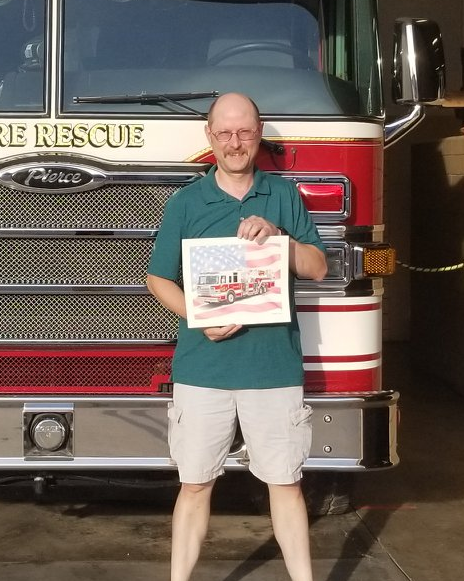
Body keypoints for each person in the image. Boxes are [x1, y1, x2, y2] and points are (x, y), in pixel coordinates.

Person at [146, 92, 327, 581]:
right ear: (209, 137)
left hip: (273, 369)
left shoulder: (284, 197)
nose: (234, 142)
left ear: (259, 132)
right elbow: (158, 278)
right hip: (204, 368)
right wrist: (198, 317)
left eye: (244, 131)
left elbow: (317, 266)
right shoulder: (185, 202)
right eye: (224, 133)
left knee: (286, 484)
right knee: (195, 484)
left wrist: (279, 239)